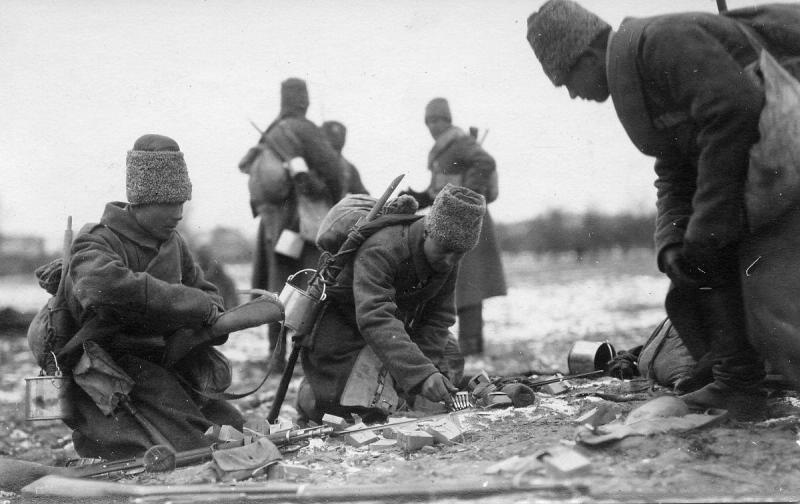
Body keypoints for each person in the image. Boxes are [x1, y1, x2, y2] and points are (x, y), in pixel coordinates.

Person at [524, 0, 800, 414]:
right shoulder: (637, 78)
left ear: (588, 53)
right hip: (770, 161)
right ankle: (735, 380)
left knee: (770, 297)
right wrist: (673, 239)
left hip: (786, 149)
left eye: (566, 77)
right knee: (698, 262)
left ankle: (740, 380)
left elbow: (734, 109)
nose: (572, 92)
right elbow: (674, 167)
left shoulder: (660, 43)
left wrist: (710, 219)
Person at [61, 134, 244, 459]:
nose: (178, 214)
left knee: (231, 426)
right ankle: (98, 438)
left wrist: (202, 316)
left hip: (167, 360)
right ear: (141, 201)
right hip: (110, 365)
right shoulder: (97, 242)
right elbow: (102, 287)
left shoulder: (174, 244)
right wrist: (189, 304)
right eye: (169, 203)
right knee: (191, 442)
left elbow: (208, 295)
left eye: (182, 203)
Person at [297, 184, 486, 423]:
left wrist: (424, 375)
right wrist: (420, 374)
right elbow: (374, 316)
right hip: (342, 327)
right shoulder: (383, 246)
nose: (450, 261)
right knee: (354, 410)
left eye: (459, 253)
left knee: (449, 360)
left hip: (393, 330)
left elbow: (439, 318)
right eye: (446, 250)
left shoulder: (448, 255)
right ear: (428, 231)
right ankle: (311, 395)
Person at [240, 78, 344, 373]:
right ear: (305, 100)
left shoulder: (272, 131)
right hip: (302, 221)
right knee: (311, 286)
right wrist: (333, 198)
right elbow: (333, 169)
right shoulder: (304, 128)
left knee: (276, 287)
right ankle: (309, 358)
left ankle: (276, 358)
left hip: (271, 223)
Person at [400, 98, 506, 356]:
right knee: (460, 283)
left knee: (471, 284)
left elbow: (485, 162)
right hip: (452, 220)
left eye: (437, 120)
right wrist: (421, 197)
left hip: (469, 220)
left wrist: (465, 194)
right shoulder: (443, 149)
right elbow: (439, 190)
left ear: (448, 120)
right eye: (429, 121)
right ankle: (464, 345)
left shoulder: (458, 142)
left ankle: (471, 345)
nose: (433, 126)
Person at [320, 120, 370, 197]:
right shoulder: (311, 160)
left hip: (334, 207)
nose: (335, 141)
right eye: (331, 137)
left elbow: (363, 195)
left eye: (338, 138)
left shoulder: (348, 168)